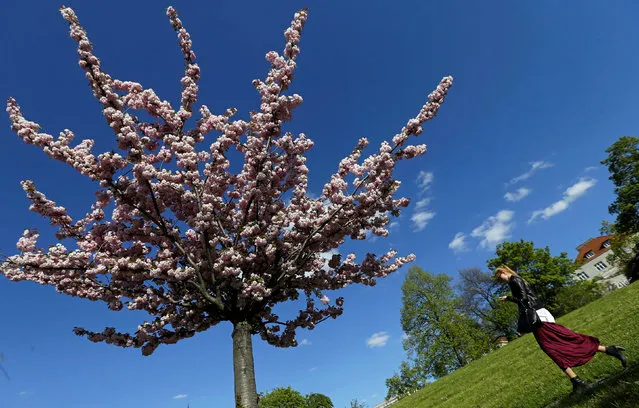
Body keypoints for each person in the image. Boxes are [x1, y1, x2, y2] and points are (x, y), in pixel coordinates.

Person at [494, 265, 628, 394]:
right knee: (552, 348)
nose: (501, 279)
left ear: (504, 272)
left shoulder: (515, 280)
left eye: (500, 276)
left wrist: (509, 298)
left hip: (538, 316)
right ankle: (577, 381)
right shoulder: (515, 281)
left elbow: (524, 299)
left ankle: (607, 352)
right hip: (536, 317)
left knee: (565, 340)